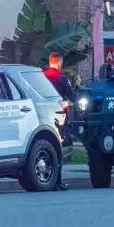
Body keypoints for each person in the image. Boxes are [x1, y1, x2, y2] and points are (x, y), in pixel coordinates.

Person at [42, 52, 73, 191]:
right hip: (59, 117)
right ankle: (58, 181)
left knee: (46, 147)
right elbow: (72, 96)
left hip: (43, 116)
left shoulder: (41, 77)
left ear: (50, 62)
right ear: (60, 63)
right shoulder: (62, 79)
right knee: (59, 148)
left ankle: (47, 178)